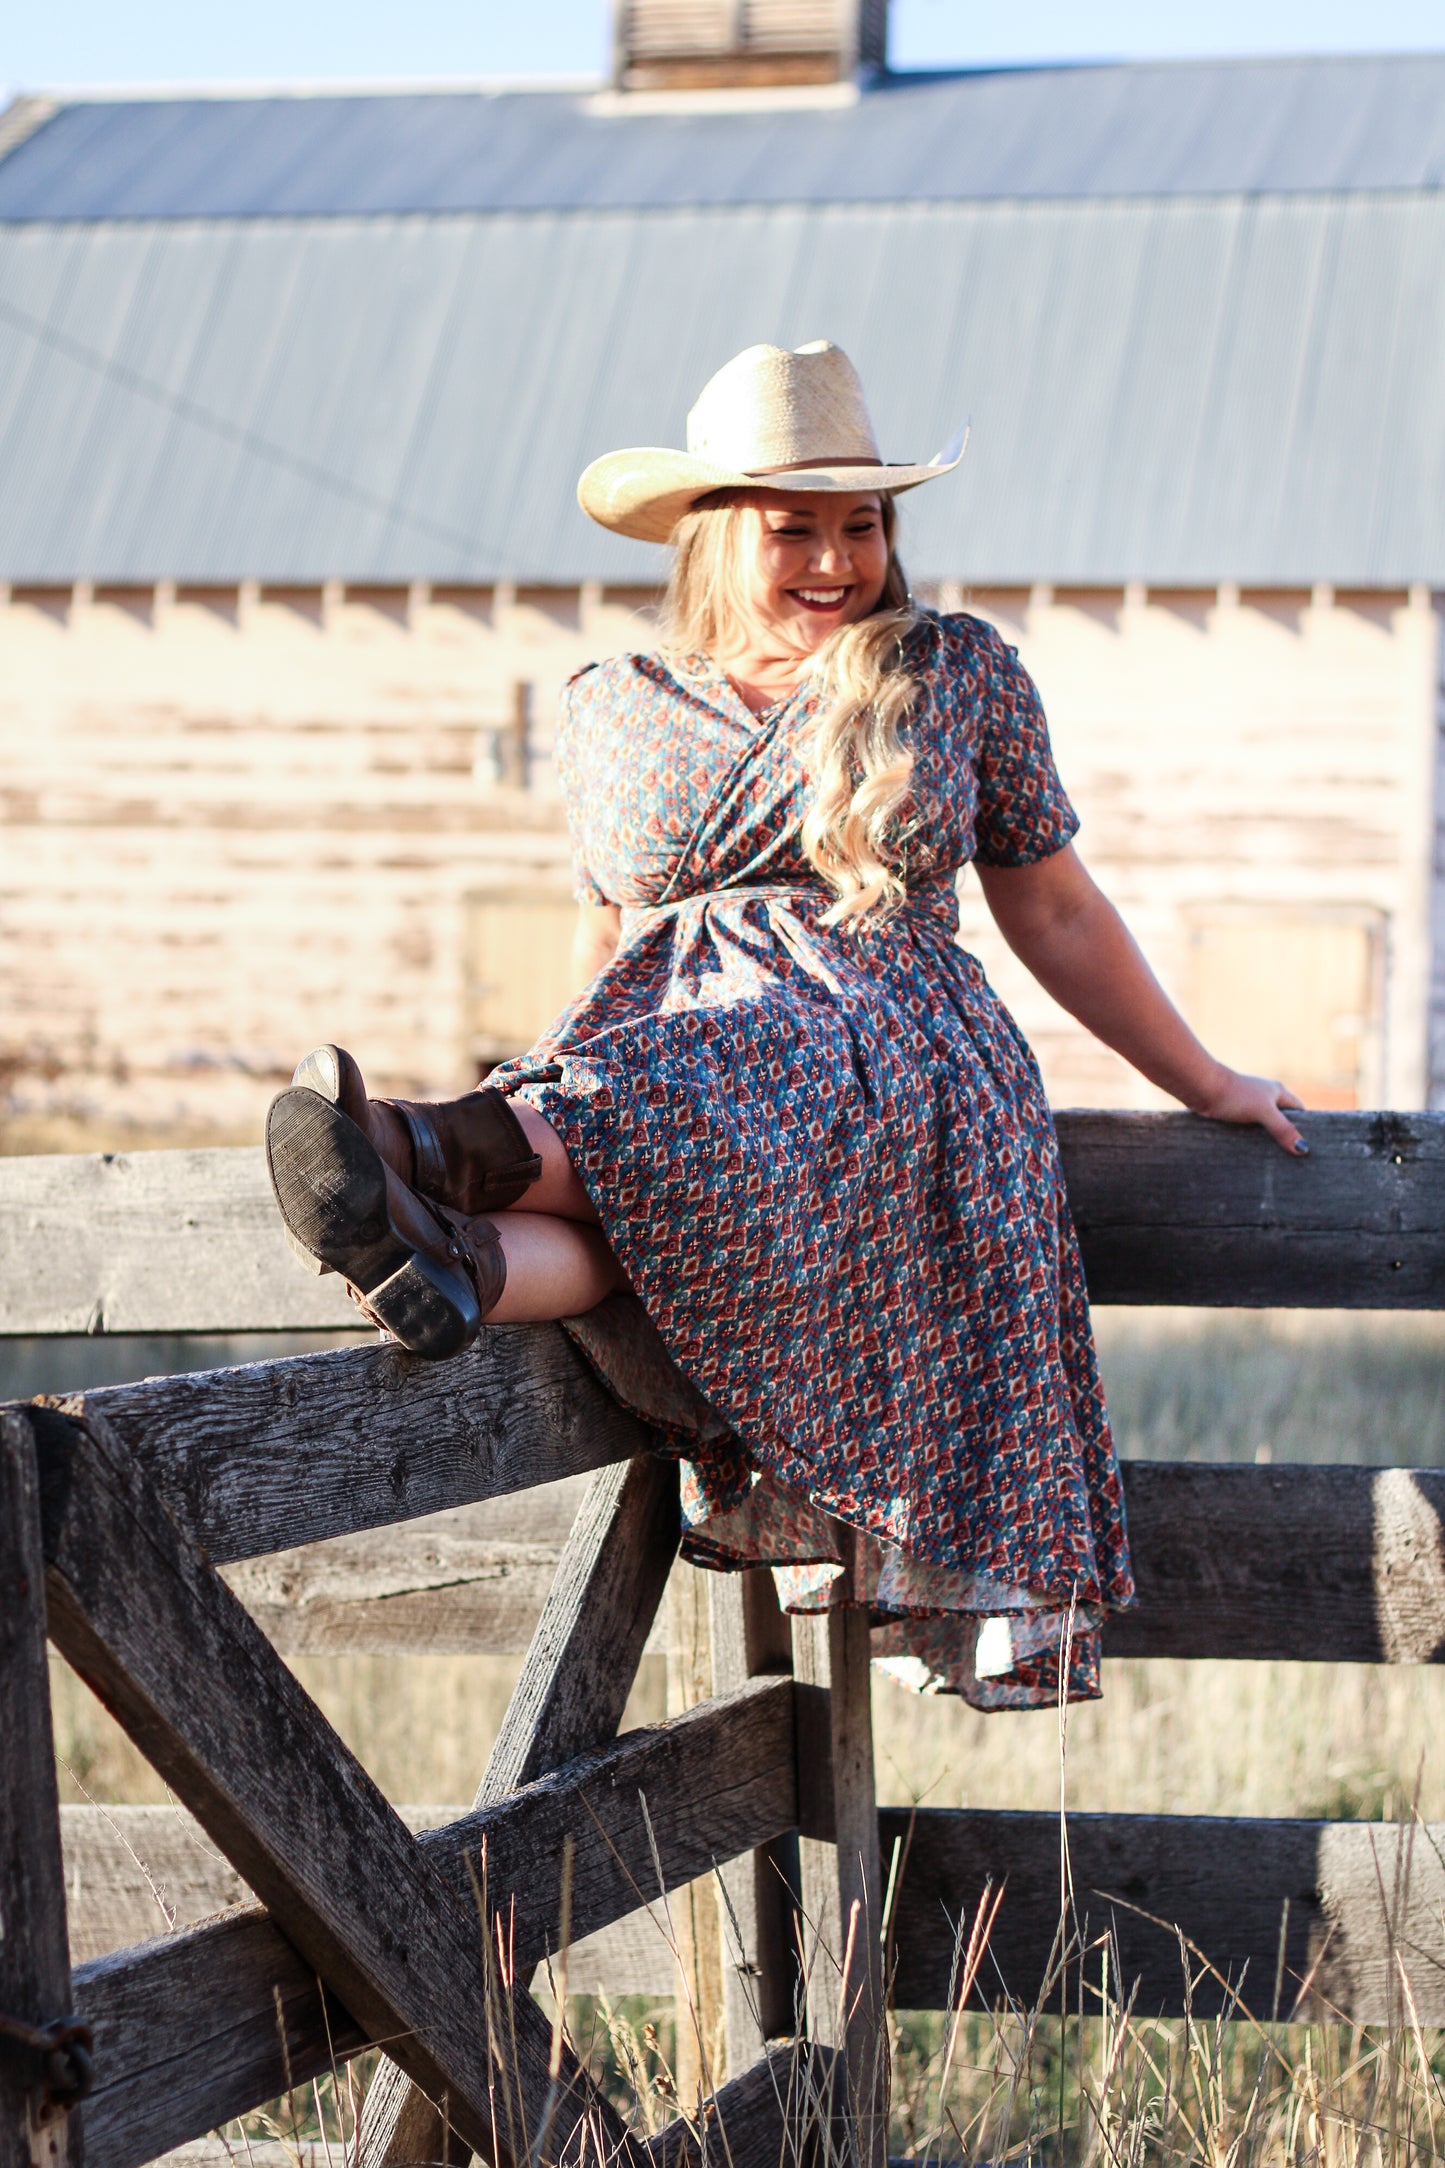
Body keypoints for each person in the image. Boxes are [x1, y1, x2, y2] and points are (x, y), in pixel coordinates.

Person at [266, 339, 1305, 1708]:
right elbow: (608, 935)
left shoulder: (948, 674)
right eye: (793, 529)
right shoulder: (615, 706)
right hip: (667, 1063)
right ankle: (448, 1254)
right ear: (711, 537)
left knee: (690, 1106)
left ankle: (421, 1145)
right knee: (639, 1202)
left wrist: (1204, 1077)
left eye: (859, 525)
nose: (834, 560)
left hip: (880, 1044)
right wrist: (548, 1066)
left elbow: (1051, 910)